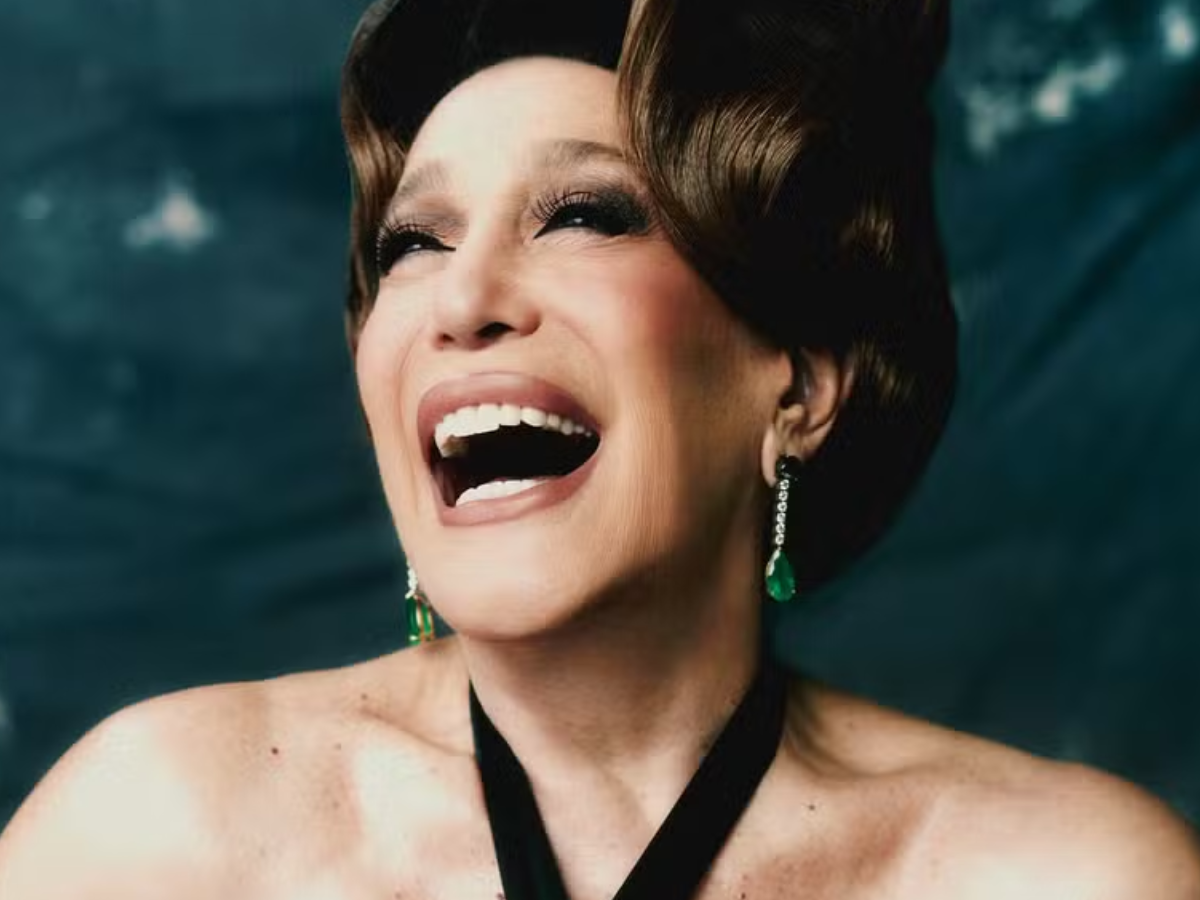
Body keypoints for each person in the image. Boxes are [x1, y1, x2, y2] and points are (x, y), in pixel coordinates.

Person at [2, 0, 1198, 897]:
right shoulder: (157, 831)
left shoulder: (1069, 877)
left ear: (799, 386)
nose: (463, 298)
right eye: (414, 241)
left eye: (584, 215)